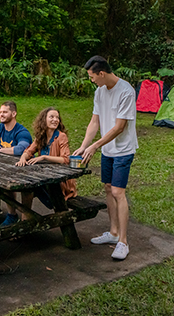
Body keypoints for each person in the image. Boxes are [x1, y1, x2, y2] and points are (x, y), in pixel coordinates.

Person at [73, 56, 138, 261]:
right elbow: (94, 122)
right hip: (107, 149)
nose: (91, 80)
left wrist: (95, 145)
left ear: (102, 73)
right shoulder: (100, 92)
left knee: (118, 191)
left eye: (92, 77)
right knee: (108, 188)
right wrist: (84, 146)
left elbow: (120, 127)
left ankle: (123, 242)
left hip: (123, 149)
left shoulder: (126, 91)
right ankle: (113, 232)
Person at [0, 101, 33, 226]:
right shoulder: (0, 128)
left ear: (14, 114)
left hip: (24, 170)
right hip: (4, 168)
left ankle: (17, 217)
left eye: (5, 112)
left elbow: (21, 149)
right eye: (0, 112)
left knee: (12, 186)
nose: (1, 115)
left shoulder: (22, 132)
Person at [16, 107, 77, 214]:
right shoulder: (41, 136)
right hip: (44, 176)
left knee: (31, 187)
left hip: (59, 181)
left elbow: (66, 159)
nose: (55, 120)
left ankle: (52, 208)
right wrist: (23, 158)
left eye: (57, 117)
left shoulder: (61, 136)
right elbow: (29, 151)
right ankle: (25, 219)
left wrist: (44, 157)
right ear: (44, 120)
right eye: (51, 117)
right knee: (27, 189)